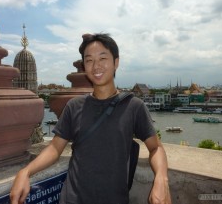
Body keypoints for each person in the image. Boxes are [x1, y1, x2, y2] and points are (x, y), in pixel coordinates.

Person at [10, 33, 171, 204]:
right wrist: (25, 172)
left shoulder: (133, 106)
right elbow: (55, 148)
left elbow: (156, 148)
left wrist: (161, 179)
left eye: (103, 58)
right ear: (85, 66)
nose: (96, 66)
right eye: (89, 60)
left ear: (116, 62)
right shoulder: (74, 106)